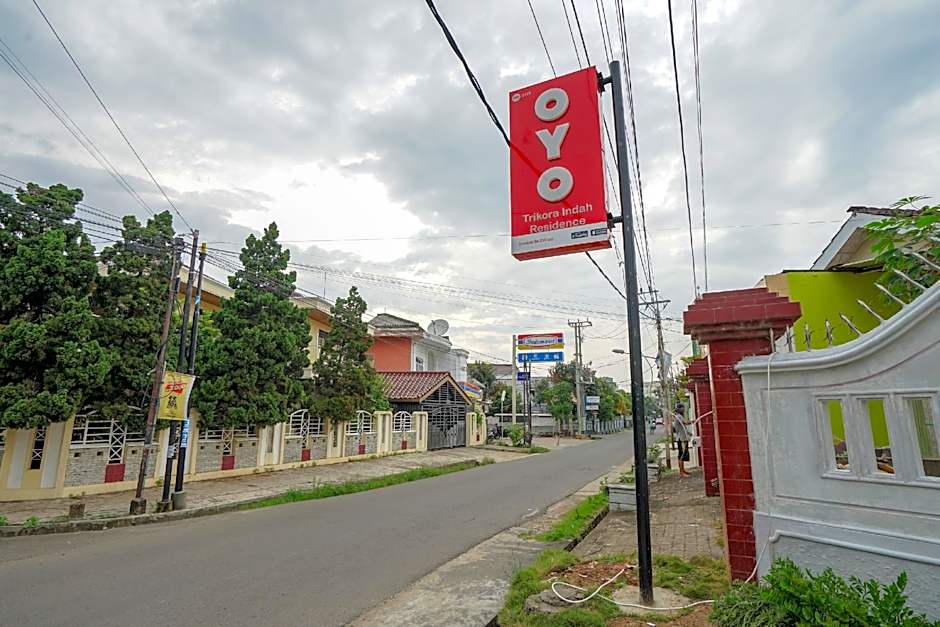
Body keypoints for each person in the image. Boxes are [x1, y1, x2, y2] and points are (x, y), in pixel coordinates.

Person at [673, 401, 692, 477]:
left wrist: (687, 433)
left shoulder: (678, 416)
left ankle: (683, 470)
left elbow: (682, 427)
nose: (684, 409)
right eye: (682, 408)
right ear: (679, 409)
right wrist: (692, 421)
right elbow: (686, 423)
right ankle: (681, 473)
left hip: (682, 438)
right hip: (681, 439)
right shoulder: (679, 416)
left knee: (682, 455)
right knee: (681, 455)